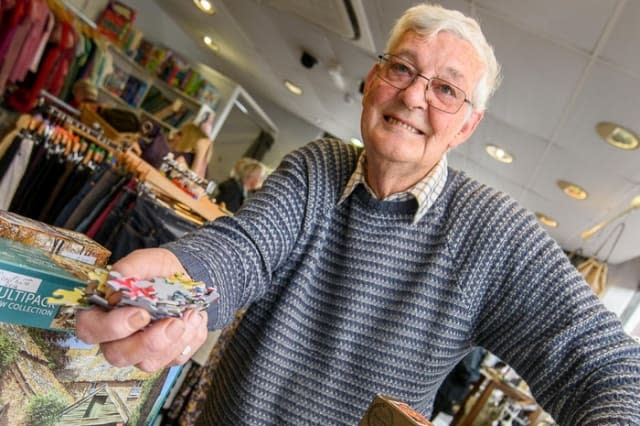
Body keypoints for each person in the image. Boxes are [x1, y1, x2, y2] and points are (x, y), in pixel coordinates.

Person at [76, 3, 640, 425]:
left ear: (467, 127)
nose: (415, 96)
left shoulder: (494, 233)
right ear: (372, 82)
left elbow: (600, 362)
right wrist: (174, 279)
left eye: (446, 89)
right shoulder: (318, 166)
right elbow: (244, 249)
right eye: (402, 69)